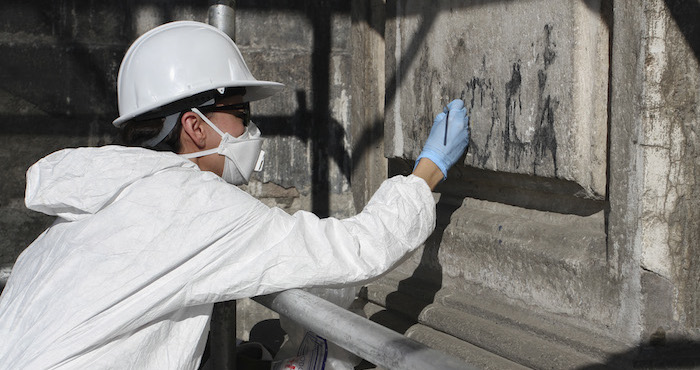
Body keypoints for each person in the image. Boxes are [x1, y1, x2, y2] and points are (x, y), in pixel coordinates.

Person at [0, 21, 469, 369]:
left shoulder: (95, 204)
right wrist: (426, 171)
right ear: (193, 127)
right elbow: (356, 249)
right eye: (240, 113)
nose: (252, 129)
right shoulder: (191, 204)